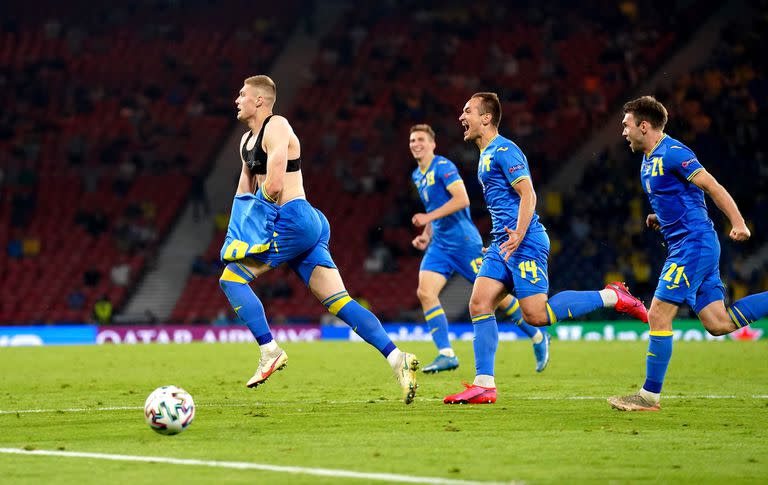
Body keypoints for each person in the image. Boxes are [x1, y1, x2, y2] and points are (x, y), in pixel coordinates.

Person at [219, 75, 419, 404]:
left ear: (259, 100)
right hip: (306, 224)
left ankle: (269, 350)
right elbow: (244, 193)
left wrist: (261, 221)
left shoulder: (277, 125)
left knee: (231, 280)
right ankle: (398, 358)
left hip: (292, 218)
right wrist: (238, 233)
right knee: (339, 301)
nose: (237, 100)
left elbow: (276, 179)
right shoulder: (245, 143)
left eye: (242, 94)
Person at [444, 92, 649, 405]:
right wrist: (500, 239)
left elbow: (528, 194)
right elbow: (505, 205)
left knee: (537, 315)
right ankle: (484, 384)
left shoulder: (504, 149)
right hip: (504, 243)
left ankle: (613, 296)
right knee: (479, 303)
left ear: (486, 118)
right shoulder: (485, 155)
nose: (462, 117)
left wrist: (518, 234)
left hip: (524, 241)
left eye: (467, 111)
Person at [608, 96, 768, 411]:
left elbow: (712, 186)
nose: (623, 132)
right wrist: (661, 218)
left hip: (693, 245)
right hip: (691, 244)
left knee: (657, 314)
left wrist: (738, 223)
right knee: (718, 323)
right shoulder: (647, 158)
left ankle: (648, 396)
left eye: (626, 125)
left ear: (644, 125)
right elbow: (681, 195)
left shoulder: (674, 153)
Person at [408, 124, 551, 374]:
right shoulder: (417, 175)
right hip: (440, 245)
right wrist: (426, 233)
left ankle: (537, 334)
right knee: (425, 292)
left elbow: (462, 200)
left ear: (432, 144)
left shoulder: (443, 167)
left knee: (498, 297)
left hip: (464, 243)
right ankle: (446, 353)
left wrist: (427, 218)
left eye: (421, 139)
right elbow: (436, 207)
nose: (415, 143)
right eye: (412, 140)